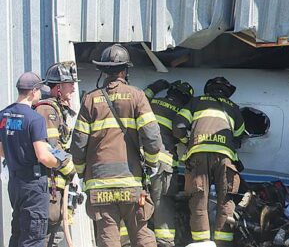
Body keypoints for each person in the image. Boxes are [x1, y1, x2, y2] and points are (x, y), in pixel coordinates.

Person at [70, 44, 162, 247]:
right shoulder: (137, 96)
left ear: (103, 71)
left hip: (99, 185)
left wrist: (81, 171)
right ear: (124, 70)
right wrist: (152, 164)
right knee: (141, 233)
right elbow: (152, 137)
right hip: (131, 182)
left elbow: (78, 144)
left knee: (108, 237)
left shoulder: (90, 100)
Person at [174, 76, 245, 246]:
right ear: (227, 92)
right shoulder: (234, 108)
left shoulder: (196, 102)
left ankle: (201, 242)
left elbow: (178, 128)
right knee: (226, 200)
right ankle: (223, 242)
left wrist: (188, 141)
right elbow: (238, 136)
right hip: (225, 158)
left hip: (198, 155)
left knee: (199, 199)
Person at [0, 72, 65, 247]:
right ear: (33, 91)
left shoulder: (4, 115)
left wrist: (18, 152)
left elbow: (2, 151)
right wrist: (58, 162)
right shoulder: (35, 118)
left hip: (15, 184)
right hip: (33, 185)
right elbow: (43, 156)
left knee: (19, 233)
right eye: (38, 91)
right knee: (34, 237)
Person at [144, 79, 195, 247]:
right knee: (162, 202)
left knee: (136, 199)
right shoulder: (182, 111)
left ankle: (130, 239)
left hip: (138, 160)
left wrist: (156, 86)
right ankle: (164, 242)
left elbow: (142, 96)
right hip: (162, 163)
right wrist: (188, 141)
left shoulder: (149, 102)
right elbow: (180, 132)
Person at [34, 62, 79, 247]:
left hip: (57, 183)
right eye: (70, 84)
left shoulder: (56, 109)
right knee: (48, 232)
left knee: (57, 232)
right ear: (58, 87)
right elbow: (51, 148)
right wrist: (71, 169)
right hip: (49, 182)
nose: (74, 88)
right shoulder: (47, 110)